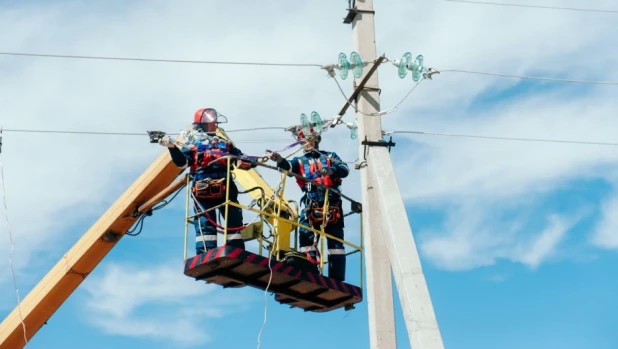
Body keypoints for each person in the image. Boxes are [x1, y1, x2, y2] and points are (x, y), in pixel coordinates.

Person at [158, 108, 253, 255]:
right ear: (201, 125)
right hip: (203, 187)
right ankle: (206, 253)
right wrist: (172, 148)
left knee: (233, 219)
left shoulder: (225, 143)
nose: (214, 125)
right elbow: (182, 163)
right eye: (211, 123)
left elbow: (242, 158)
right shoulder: (192, 144)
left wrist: (257, 160)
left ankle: (235, 251)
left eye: (215, 122)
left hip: (226, 187)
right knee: (205, 222)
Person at [269, 134, 349, 281]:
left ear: (316, 141)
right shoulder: (299, 161)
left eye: (310, 140)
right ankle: (309, 273)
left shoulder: (330, 156)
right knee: (306, 239)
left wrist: (331, 170)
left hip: (332, 203)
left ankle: (337, 277)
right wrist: (279, 160)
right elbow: (288, 167)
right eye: (304, 141)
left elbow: (345, 169)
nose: (307, 144)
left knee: (336, 243)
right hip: (311, 203)